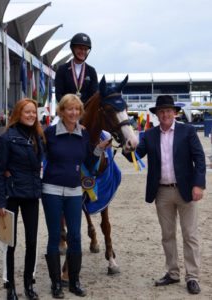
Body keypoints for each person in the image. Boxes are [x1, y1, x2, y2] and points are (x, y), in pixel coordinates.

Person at [124, 95, 206, 295]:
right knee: (167, 235)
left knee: (190, 235)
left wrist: (199, 185)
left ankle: (192, 276)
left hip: (186, 190)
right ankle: (172, 273)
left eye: (168, 110)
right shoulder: (149, 134)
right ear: (156, 114)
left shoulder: (187, 131)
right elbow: (136, 155)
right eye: (161, 111)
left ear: (175, 113)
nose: (165, 114)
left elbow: (199, 158)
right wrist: (127, 148)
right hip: (162, 192)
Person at [42, 94, 111, 298]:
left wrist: (98, 149)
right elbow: (37, 156)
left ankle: (74, 281)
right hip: (52, 190)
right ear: (61, 111)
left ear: (80, 112)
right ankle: (56, 284)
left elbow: (88, 162)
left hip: (74, 191)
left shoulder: (84, 134)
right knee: (55, 237)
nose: (73, 113)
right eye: (69, 109)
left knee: (75, 236)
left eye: (76, 110)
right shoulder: (50, 133)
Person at [0, 98, 45, 300]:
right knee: (10, 244)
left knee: (32, 241)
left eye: (34, 112)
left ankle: (28, 285)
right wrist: (0, 202)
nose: (31, 115)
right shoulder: (7, 139)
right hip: (11, 196)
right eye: (27, 112)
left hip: (32, 196)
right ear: (18, 113)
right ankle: (10, 287)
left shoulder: (38, 137)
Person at [55, 33, 98, 104]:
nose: (83, 52)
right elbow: (59, 94)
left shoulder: (91, 71)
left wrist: (81, 107)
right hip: (67, 110)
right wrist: (70, 107)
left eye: (85, 49)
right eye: (80, 48)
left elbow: (93, 95)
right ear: (73, 48)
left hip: (85, 111)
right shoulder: (62, 70)